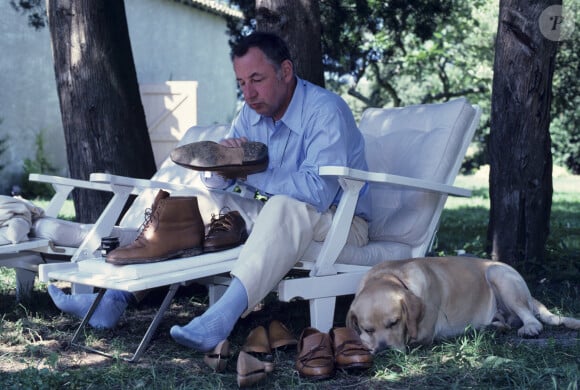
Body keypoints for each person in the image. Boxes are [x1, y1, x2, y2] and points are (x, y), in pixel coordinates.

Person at [48, 31, 372, 352]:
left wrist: (247, 171)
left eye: (257, 79)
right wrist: (222, 165)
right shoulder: (250, 114)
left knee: (285, 206)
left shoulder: (325, 111)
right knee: (195, 202)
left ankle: (220, 319)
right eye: (242, 83)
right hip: (282, 215)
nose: (249, 93)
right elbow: (217, 184)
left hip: (343, 222)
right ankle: (114, 300)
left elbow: (316, 192)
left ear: (285, 71)